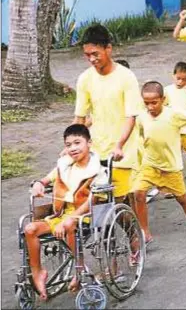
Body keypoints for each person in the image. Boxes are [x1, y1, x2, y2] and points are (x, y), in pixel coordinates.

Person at [24, 124, 106, 300]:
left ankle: (79, 269)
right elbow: (46, 180)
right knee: (30, 229)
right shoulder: (64, 165)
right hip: (61, 214)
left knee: (69, 226)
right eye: (68, 145)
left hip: (86, 216)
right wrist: (39, 184)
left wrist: (72, 219)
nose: (73, 148)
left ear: (89, 143)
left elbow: (94, 199)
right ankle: (38, 272)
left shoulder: (98, 170)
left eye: (77, 143)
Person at [133, 81, 186, 244]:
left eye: (154, 102)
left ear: (163, 99)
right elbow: (140, 135)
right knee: (138, 193)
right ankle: (144, 231)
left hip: (170, 168)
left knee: (182, 199)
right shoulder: (141, 117)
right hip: (150, 165)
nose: (150, 107)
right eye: (147, 103)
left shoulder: (173, 114)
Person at [73, 24, 141, 203]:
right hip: (97, 149)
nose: (92, 59)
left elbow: (131, 116)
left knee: (121, 200)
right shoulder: (85, 79)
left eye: (96, 54)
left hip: (123, 150)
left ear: (108, 49)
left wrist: (119, 145)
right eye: (88, 55)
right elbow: (80, 118)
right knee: (96, 200)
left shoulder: (126, 77)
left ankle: (140, 231)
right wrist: (72, 144)